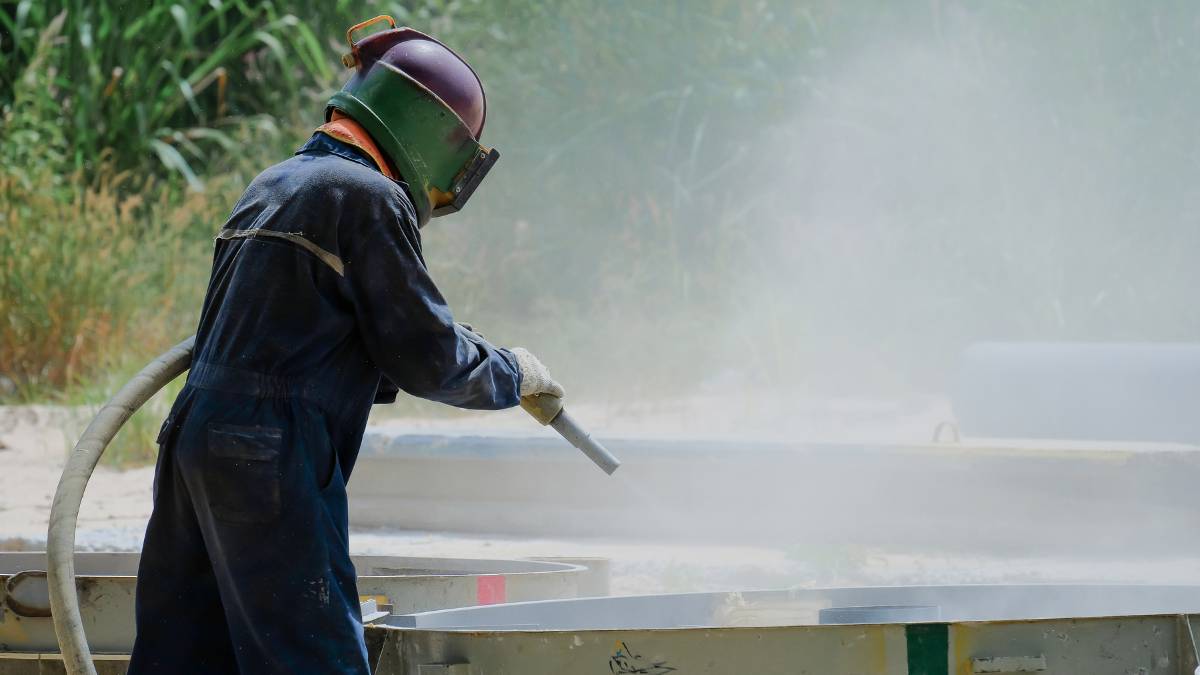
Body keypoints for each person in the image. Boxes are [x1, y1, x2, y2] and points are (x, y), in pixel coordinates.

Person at [127, 17, 562, 674]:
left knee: (187, 657)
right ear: (431, 137)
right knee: (316, 660)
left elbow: (329, 338)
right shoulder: (368, 196)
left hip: (194, 437)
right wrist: (512, 372)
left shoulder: (276, 182)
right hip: (269, 456)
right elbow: (429, 357)